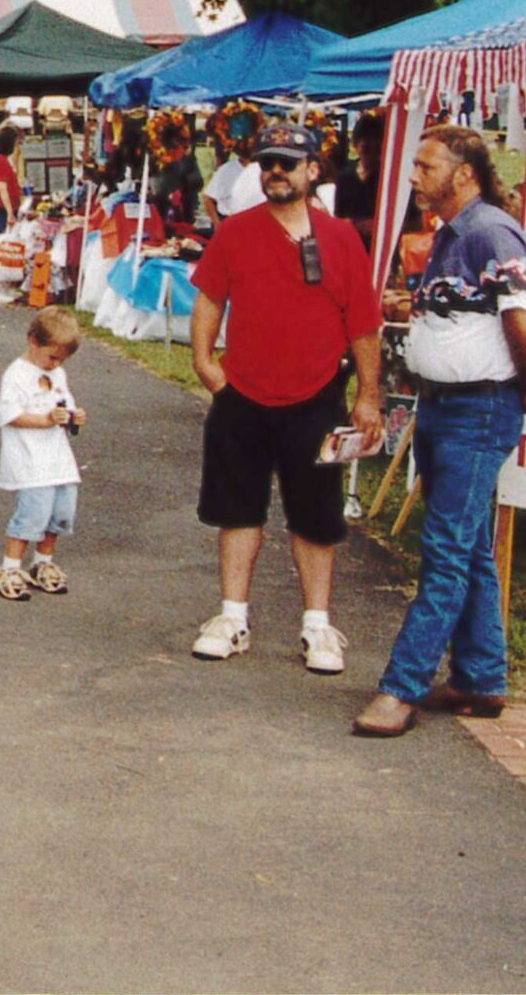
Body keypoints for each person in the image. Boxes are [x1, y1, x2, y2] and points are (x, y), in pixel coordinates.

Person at [354, 126, 526, 738]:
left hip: (479, 410)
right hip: (446, 406)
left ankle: (402, 687)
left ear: (464, 173)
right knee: (467, 548)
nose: (413, 175)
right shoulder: (453, 235)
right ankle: (480, 676)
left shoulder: (490, 232)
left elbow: (523, 324)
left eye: (425, 165)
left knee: (444, 552)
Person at [187, 122, 383, 676]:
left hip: (317, 393)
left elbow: (364, 325)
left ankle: (318, 624)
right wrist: (206, 363)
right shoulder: (236, 232)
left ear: (312, 171)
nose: (276, 171)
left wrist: (367, 395)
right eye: (267, 162)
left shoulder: (341, 238)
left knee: (316, 515)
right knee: (237, 508)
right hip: (243, 391)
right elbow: (209, 300)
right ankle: (231, 617)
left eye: (288, 163)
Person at [0, 307, 86, 600]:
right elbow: (9, 414)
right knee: (33, 512)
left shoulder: (57, 373)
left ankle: (42, 562)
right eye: (52, 357)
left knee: (60, 512)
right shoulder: (17, 374)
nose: (55, 364)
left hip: (58, 460)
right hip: (30, 460)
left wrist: (72, 416)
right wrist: (45, 420)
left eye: (62, 360)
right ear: (33, 340)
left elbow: (61, 404)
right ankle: (9, 566)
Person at [330, 115, 384, 251]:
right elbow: (338, 216)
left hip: (380, 249)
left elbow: (412, 222)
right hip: (350, 247)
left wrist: (378, 225)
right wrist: (351, 224)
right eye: (361, 139)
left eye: (371, 139)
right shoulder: (344, 177)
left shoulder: (387, 177)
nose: (365, 144)